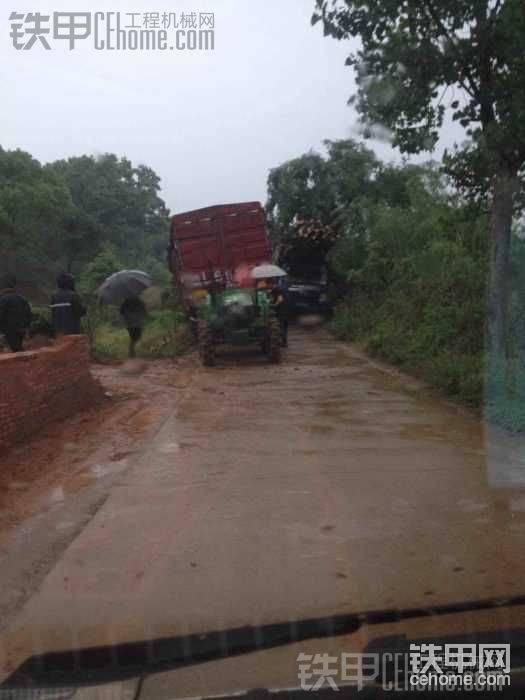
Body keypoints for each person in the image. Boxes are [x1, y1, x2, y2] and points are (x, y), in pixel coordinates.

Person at [0, 274, 32, 352]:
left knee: (16, 350)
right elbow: (29, 314)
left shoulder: (3, 299)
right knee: (17, 348)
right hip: (22, 330)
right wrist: (26, 327)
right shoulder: (22, 299)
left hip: (10, 330)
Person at [269, 277, 289, 347]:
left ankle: (283, 342)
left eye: (269, 284)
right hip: (286, 309)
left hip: (281, 311)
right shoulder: (280, 288)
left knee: (281, 326)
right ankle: (284, 342)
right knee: (284, 326)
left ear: (271, 284)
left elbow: (280, 299)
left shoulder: (277, 289)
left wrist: (274, 305)